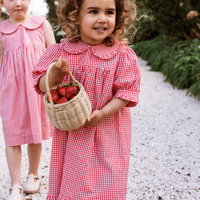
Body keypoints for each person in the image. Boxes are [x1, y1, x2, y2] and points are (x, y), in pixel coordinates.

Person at [33, 0, 141, 199]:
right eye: (93, 11)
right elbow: (40, 85)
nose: (102, 19)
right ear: (75, 16)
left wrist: (104, 112)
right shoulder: (60, 52)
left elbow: (126, 93)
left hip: (108, 129)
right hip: (73, 131)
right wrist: (56, 75)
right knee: (74, 180)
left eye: (109, 12)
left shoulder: (122, 55)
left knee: (108, 177)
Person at [0, 0, 56, 199]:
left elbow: (54, 55)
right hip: (10, 90)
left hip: (35, 88)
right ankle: (15, 184)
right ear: (1, 2)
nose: (17, 3)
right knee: (11, 134)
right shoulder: (1, 30)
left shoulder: (42, 24)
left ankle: (33, 175)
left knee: (35, 131)